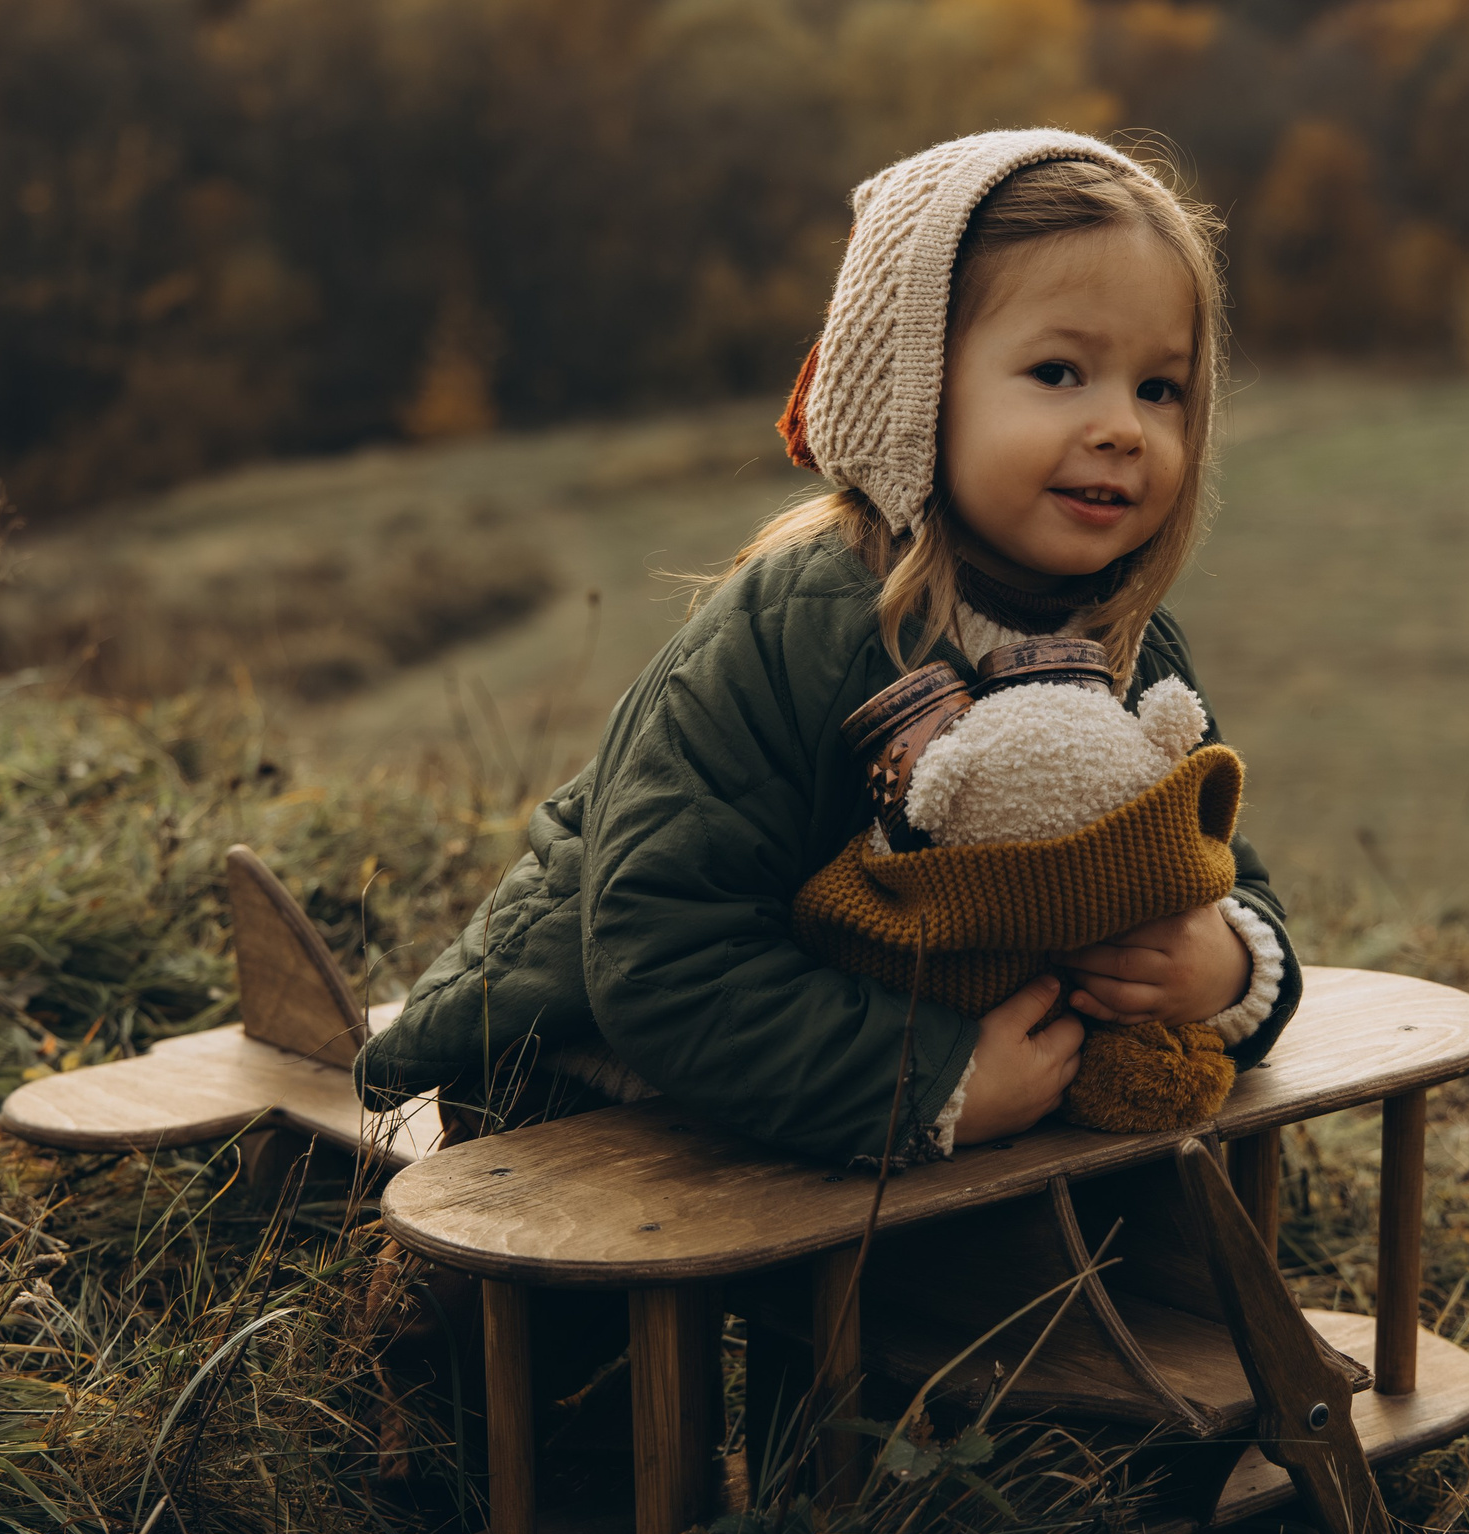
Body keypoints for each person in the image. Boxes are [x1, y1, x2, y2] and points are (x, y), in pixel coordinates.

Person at [357, 129, 1299, 1165]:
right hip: (596, 1082)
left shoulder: (1128, 643)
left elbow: (1214, 869)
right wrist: (930, 1078)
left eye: (1158, 389)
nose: (1122, 426)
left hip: (889, 1095)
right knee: (570, 1309)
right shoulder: (798, 628)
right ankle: (428, 1321)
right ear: (913, 391)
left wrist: (1225, 965)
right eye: (1058, 371)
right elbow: (660, 955)